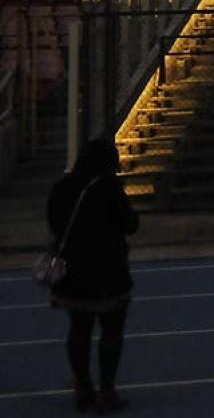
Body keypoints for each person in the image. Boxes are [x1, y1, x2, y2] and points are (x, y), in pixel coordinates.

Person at [46, 138, 139, 413]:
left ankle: (84, 388)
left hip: (73, 270)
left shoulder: (62, 187)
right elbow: (130, 224)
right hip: (108, 269)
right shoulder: (109, 188)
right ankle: (107, 390)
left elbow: (54, 223)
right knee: (112, 331)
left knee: (79, 329)